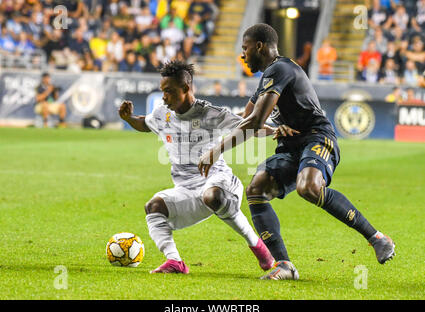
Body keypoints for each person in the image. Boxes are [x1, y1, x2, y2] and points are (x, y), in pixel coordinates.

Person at [198, 23, 396, 280]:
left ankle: (377, 238)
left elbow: (254, 123)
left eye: (245, 48)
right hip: (291, 146)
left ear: (259, 46)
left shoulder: (280, 69)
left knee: (308, 187)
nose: (242, 55)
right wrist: (208, 121)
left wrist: (216, 150)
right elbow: (244, 121)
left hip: (317, 138)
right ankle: (284, 266)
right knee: (256, 189)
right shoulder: (265, 80)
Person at [118, 60, 274, 274]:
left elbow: (249, 126)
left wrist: (276, 131)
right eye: (162, 91)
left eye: (169, 91)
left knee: (213, 196)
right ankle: (175, 262)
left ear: (185, 88)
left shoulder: (210, 113)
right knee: (153, 207)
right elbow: (144, 124)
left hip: (219, 181)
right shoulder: (162, 114)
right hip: (186, 189)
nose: (164, 96)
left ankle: (257, 246)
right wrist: (129, 118)